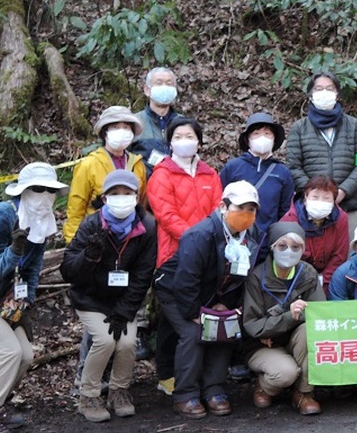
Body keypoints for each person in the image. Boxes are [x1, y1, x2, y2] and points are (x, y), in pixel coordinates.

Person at [0, 162, 67, 433]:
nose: (44, 195)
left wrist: (26, 304)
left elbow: (33, 269)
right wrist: (14, 251)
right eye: (38, 189)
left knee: (24, 354)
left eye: (50, 190)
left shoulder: (43, 220)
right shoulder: (2, 215)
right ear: (22, 191)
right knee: (7, 351)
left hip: (5, 295)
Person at [154, 181, 263, 419]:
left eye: (252, 209)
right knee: (195, 334)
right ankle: (185, 395)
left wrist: (226, 305)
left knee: (224, 329)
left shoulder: (250, 234)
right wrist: (195, 312)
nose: (247, 214)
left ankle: (214, 388)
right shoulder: (200, 234)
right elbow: (186, 279)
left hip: (217, 292)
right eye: (241, 207)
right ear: (223, 206)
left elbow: (240, 275)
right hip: (176, 290)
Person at [60, 170, 156, 422]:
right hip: (90, 298)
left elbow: (143, 275)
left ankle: (118, 391)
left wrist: (125, 311)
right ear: (105, 198)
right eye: (115, 194)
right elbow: (68, 271)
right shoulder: (92, 224)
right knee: (104, 340)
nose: (121, 198)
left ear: (137, 197)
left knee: (126, 342)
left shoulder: (147, 226)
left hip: (124, 300)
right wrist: (89, 256)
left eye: (127, 193)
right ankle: (88, 395)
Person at [147, 116, 223, 395]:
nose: (184, 141)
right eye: (177, 136)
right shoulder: (161, 174)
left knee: (188, 314)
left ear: (199, 141)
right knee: (174, 317)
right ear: (169, 142)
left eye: (189, 136)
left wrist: (209, 242)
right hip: (173, 256)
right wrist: (198, 240)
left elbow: (218, 210)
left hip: (206, 257)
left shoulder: (210, 174)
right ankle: (167, 374)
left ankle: (192, 374)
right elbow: (166, 215)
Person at [243, 222, 325, 415]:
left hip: (293, 339)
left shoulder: (308, 273)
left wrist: (297, 315)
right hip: (262, 345)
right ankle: (265, 387)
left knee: (309, 332)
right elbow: (253, 325)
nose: (289, 251)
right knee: (286, 373)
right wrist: (289, 315)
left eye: (296, 247)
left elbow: (319, 313)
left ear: (303, 249)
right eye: (282, 246)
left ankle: (303, 393)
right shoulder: (256, 277)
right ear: (272, 247)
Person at [285, 71, 357, 238]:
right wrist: (315, 194)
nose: (324, 93)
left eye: (329, 88)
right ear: (310, 95)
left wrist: (342, 192)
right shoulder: (299, 128)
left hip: (348, 205)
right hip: (311, 206)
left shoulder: (354, 126)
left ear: (337, 94)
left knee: (346, 255)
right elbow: (293, 166)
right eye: (318, 88)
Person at [64, 106, 147, 244]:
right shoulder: (89, 164)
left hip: (131, 236)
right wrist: (74, 242)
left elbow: (142, 203)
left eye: (126, 127)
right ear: (105, 132)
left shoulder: (138, 164)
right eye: (115, 127)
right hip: (96, 235)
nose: (121, 131)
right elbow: (75, 209)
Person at [219, 113, 294, 243]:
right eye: (256, 133)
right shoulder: (233, 166)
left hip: (266, 240)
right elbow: (219, 200)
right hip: (233, 236)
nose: (262, 138)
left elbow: (285, 210)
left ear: (274, 139)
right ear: (248, 139)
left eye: (267, 134)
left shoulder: (282, 172)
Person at [278, 176, 350, 290]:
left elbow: (339, 255)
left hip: (329, 280)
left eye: (326, 198)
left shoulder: (341, 218)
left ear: (334, 201)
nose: (320, 202)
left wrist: (324, 282)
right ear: (306, 197)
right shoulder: (290, 220)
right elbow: (286, 257)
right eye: (315, 197)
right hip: (295, 279)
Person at [131, 67, 185, 173]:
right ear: (147, 90)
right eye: (159, 83)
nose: (164, 87)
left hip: (177, 185)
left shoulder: (184, 124)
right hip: (143, 185)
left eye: (169, 84)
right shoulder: (134, 122)